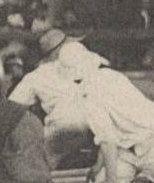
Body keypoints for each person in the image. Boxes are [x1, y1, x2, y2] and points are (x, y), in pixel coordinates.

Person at [61, 42, 154, 183]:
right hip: (129, 147)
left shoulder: (89, 96)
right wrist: (99, 166)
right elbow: (110, 130)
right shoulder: (109, 74)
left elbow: (107, 139)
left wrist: (111, 180)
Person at [8, 28, 98, 163]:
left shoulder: (37, 75)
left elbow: (12, 107)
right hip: (95, 124)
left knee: (34, 161)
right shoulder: (90, 60)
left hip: (65, 126)